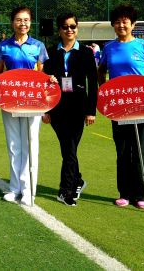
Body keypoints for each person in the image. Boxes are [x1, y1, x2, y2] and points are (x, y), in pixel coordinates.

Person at [98, 5, 144, 210]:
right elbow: (101, 71)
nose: (121, 25)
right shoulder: (109, 48)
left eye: (125, 21)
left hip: (142, 105)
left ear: (133, 24)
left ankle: (142, 194)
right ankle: (125, 193)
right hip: (119, 107)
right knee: (122, 151)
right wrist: (104, 92)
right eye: (117, 22)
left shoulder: (143, 45)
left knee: (140, 150)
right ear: (113, 25)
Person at [0, 6, 48, 205]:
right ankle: (15, 188)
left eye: (26, 20)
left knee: (31, 144)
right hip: (10, 100)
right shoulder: (3, 46)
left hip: (32, 101)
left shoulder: (38, 46)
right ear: (12, 23)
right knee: (14, 145)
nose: (22, 24)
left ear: (30, 22)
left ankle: (28, 189)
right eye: (18, 20)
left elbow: (42, 74)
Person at [42, 13, 98, 207]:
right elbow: (44, 82)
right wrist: (45, 110)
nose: (69, 30)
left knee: (69, 148)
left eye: (72, 26)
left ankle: (67, 189)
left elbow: (93, 83)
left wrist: (91, 111)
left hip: (78, 107)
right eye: (65, 27)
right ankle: (75, 182)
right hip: (57, 108)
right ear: (59, 30)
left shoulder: (86, 52)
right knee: (68, 148)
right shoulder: (50, 52)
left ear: (77, 28)